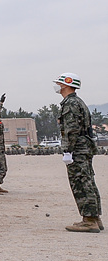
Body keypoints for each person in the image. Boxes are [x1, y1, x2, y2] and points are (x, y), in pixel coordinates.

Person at [54, 73, 102, 232]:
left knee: (81, 183)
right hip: (84, 147)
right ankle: (94, 218)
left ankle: (89, 220)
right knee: (88, 181)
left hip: (77, 149)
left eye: (60, 84)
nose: (57, 87)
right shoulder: (77, 102)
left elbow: (71, 130)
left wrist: (67, 151)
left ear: (66, 85)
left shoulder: (71, 104)